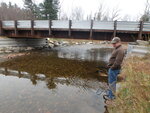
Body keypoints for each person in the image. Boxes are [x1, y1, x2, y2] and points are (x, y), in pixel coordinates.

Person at [103, 37, 125, 104]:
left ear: (119, 42)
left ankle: (111, 99)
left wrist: (111, 68)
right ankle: (110, 95)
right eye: (113, 43)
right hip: (113, 69)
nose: (113, 45)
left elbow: (118, 62)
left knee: (112, 83)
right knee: (111, 83)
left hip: (114, 69)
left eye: (115, 43)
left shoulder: (120, 50)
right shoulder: (117, 48)